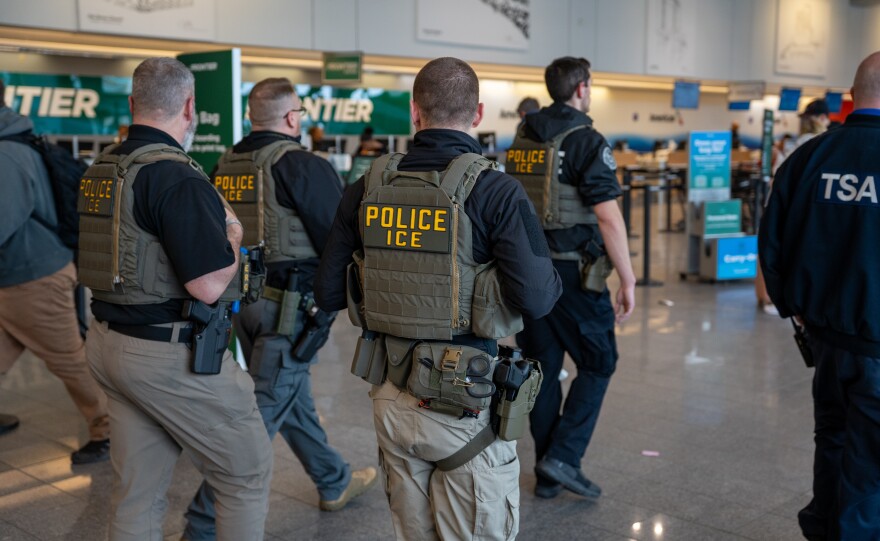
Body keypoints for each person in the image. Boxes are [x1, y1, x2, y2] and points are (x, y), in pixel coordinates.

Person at [315, 56, 562, 540]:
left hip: (390, 396)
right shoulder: (496, 191)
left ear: (414, 113)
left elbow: (327, 293)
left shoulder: (366, 186)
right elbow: (537, 300)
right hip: (464, 404)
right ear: (478, 114)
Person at [80, 57, 272, 541]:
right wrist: (233, 233)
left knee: (137, 493)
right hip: (166, 356)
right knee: (245, 477)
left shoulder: (104, 167)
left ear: (132, 105)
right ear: (190, 107)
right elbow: (208, 284)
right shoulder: (176, 177)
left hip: (107, 342)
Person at [181, 77, 376, 540]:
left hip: (243, 305)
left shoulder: (226, 162)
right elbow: (340, 241)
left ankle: (335, 480)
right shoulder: (302, 164)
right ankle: (203, 521)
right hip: (291, 310)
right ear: (292, 118)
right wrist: (334, 306)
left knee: (289, 395)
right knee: (262, 412)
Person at [759, 51, 880, 541]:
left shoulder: (806, 160)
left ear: (851, 97)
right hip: (876, 343)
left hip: (825, 340)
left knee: (832, 436)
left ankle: (822, 527)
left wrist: (797, 312)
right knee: (870, 460)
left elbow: (771, 245)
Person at [508, 56, 636, 500]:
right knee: (599, 363)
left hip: (528, 272)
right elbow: (608, 218)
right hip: (576, 277)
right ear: (581, 88)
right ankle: (563, 457)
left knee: (541, 369)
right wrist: (629, 278)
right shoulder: (586, 139)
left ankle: (547, 473)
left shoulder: (523, 134)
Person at [0, 79, 111, 463]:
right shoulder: (17, 143)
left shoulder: (8, 155)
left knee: (70, 361)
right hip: (16, 276)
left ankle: (109, 429)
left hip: (34, 278)